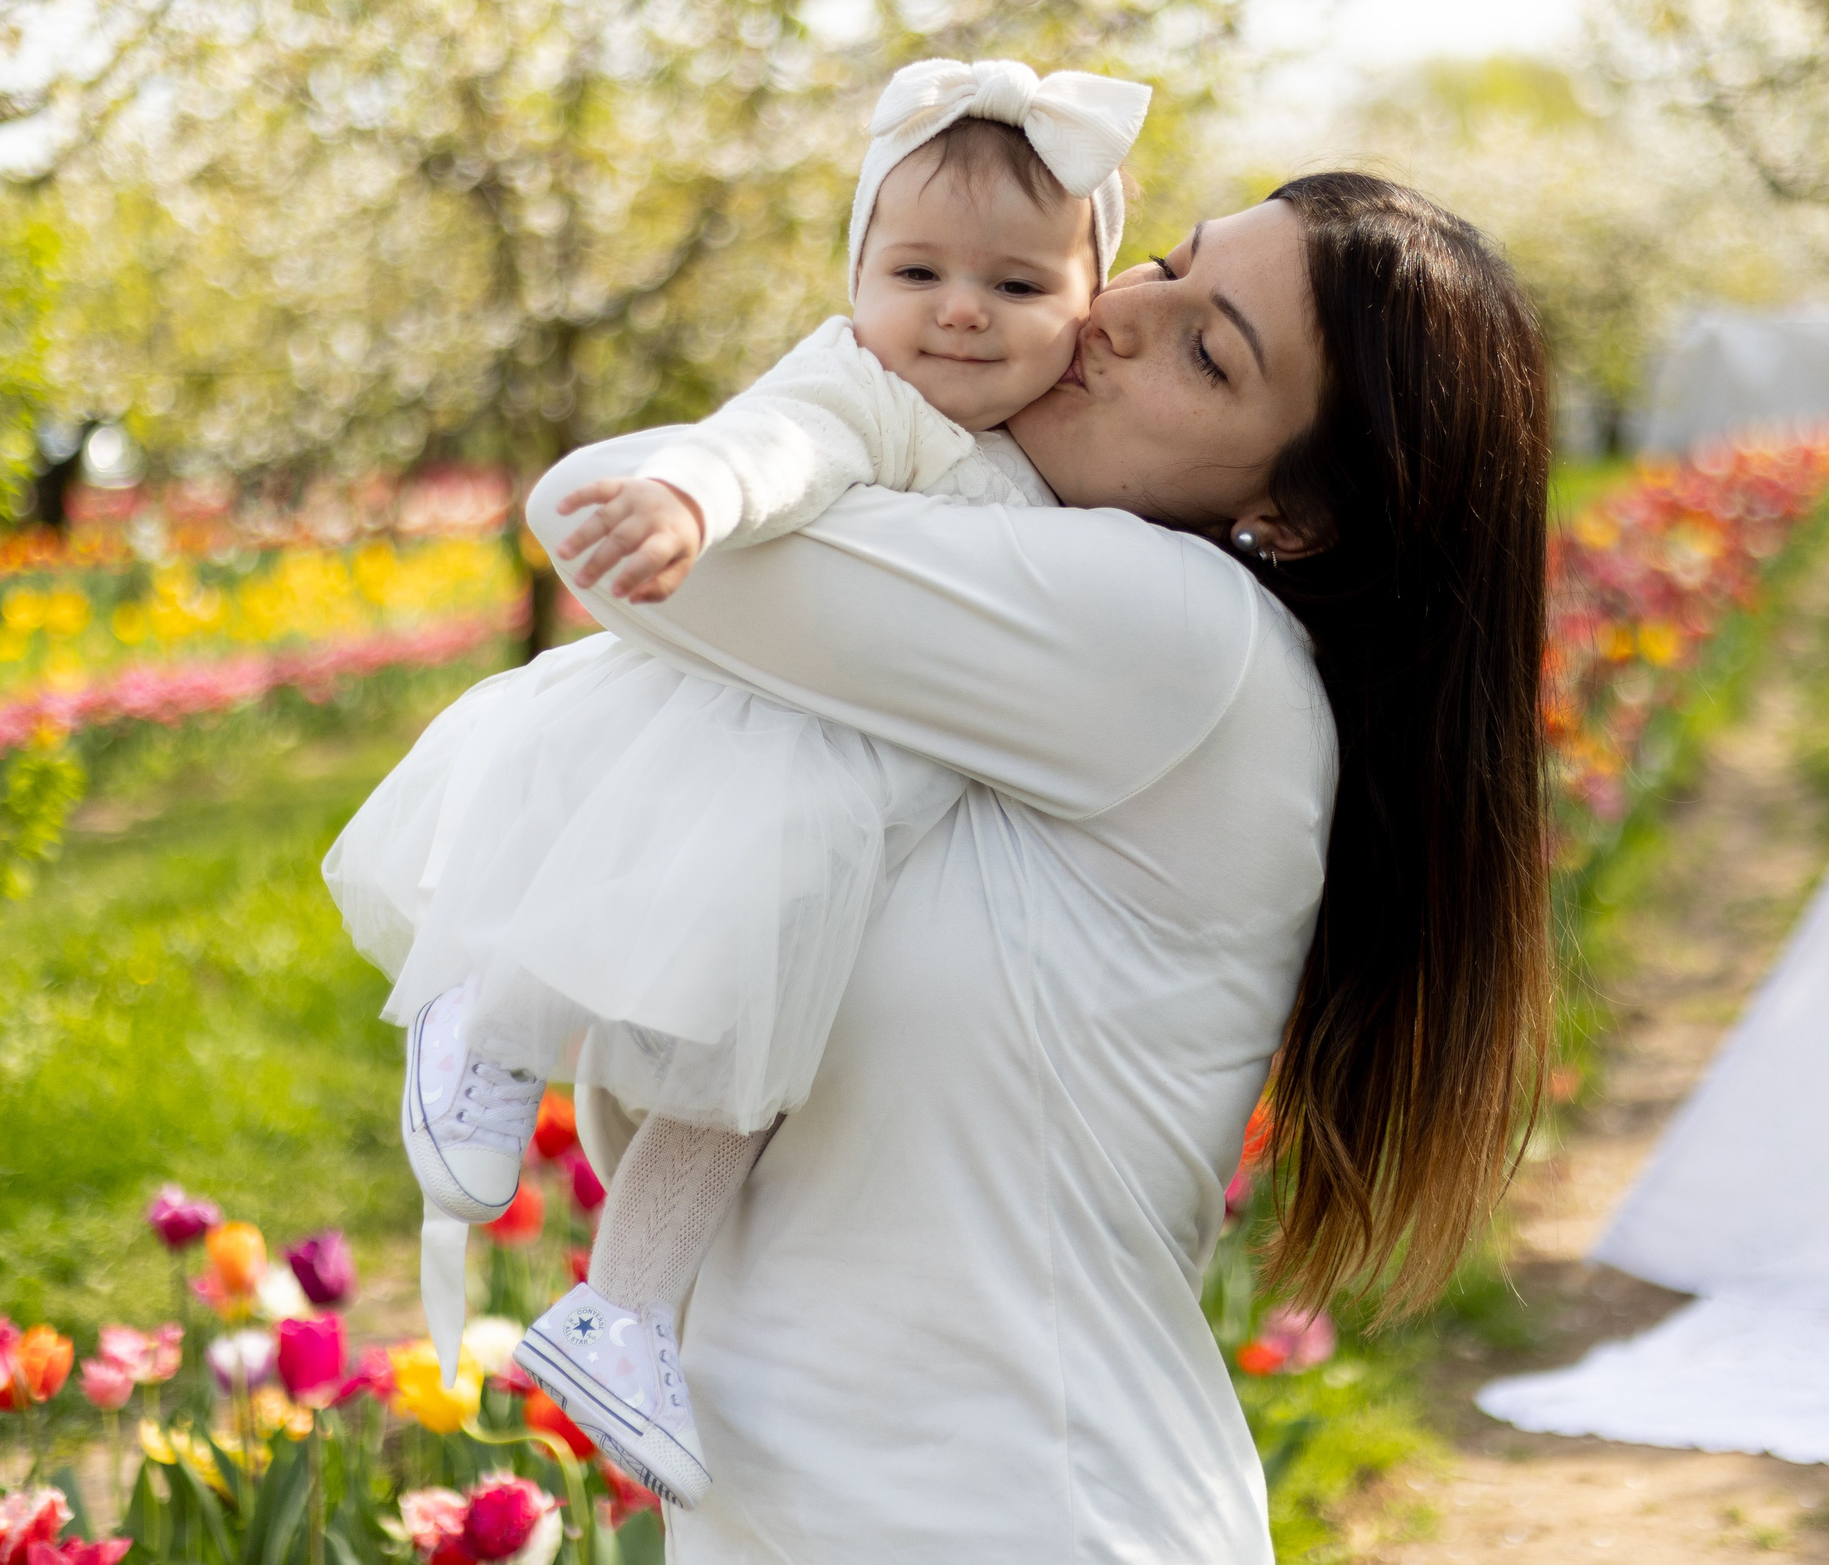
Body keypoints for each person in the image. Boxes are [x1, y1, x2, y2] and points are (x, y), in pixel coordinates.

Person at [532, 170, 1556, 1561]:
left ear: (1298, 514)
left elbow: (601, 513)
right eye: (1163, 264)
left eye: (1210, 349)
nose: (1126, 316)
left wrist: (856, 393)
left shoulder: (1183, 645)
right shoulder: (1006, 653)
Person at [322, 59, 1153, 1507]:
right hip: (738, 748)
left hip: (857, 820)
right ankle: (473, 1027)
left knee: (740, 1072)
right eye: (917, 269)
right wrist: (687, 502)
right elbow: (774, 444)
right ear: (857, 276)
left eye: (1018, 287)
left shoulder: (1039, 460)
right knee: (595, 913)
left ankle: (620, 1310)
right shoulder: (862, 386)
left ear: (1084, 314)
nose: (960, 308)